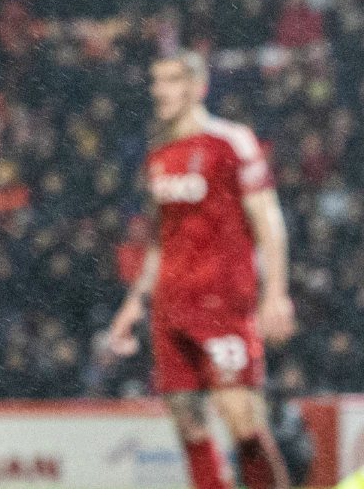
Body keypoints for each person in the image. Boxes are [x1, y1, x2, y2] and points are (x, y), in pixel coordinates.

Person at [106, 50, 296, 489]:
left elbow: (267, 218)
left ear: (198, 86)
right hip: (171, 310)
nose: (160, 90)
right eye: (156, 81)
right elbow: (159, 239)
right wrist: (134, 304)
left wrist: (276, 293)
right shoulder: (159, 152)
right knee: (189, 426)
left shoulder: (231, 142)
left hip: (224, 304)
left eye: (171, 81)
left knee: (243, 421)